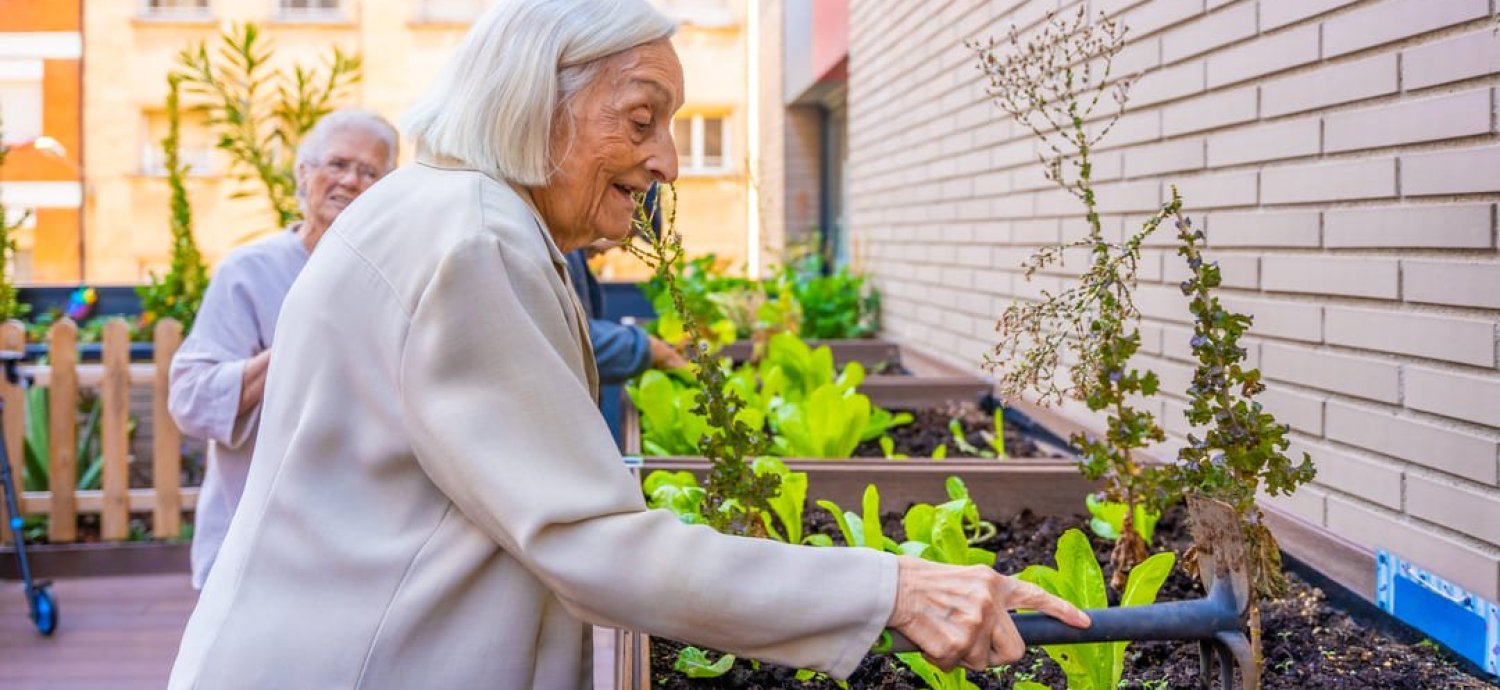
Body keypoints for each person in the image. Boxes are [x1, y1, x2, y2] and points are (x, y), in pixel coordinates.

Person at [167, 2, 1089, 688]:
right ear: (535, 105)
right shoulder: (474, 236)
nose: (669, 163)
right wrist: (892, 589)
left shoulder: (439, 212)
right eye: (642, 120)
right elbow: (590, 542)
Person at [166, 109, 398, 589]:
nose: (351, 181)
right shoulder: (249, 273)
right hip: (256, 547)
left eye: (370, 172)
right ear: (303, 173)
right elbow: (191, 398)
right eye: (337, 164)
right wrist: (297, 346)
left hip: (365, 543)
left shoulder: (399, 277)